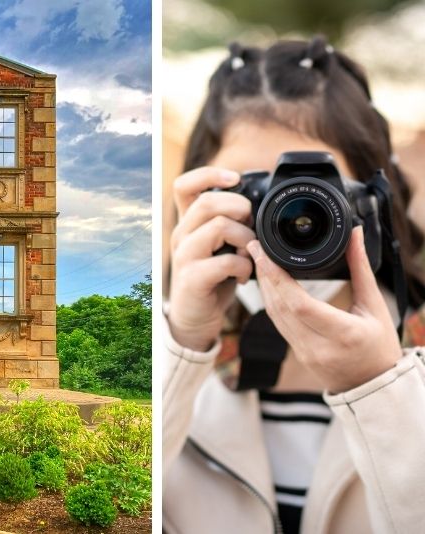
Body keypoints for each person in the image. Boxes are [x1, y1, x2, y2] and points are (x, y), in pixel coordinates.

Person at [163, 37, 425, 534]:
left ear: (374, 203)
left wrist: (378, 389)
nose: (287, 220)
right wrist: (184, 341)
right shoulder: (174, 359)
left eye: (323, 193)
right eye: (258, 193)